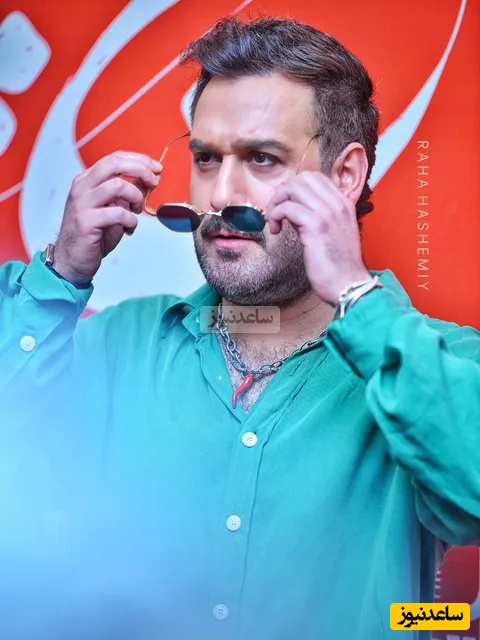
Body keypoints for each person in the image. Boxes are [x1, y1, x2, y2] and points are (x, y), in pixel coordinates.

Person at [0, 15, 479, 640]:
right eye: (206, 158)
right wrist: (59, 276)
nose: (221, 193)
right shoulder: (121, 344)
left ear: (344, 176)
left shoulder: (442, 363)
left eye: (262, 158)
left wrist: (356, 296)